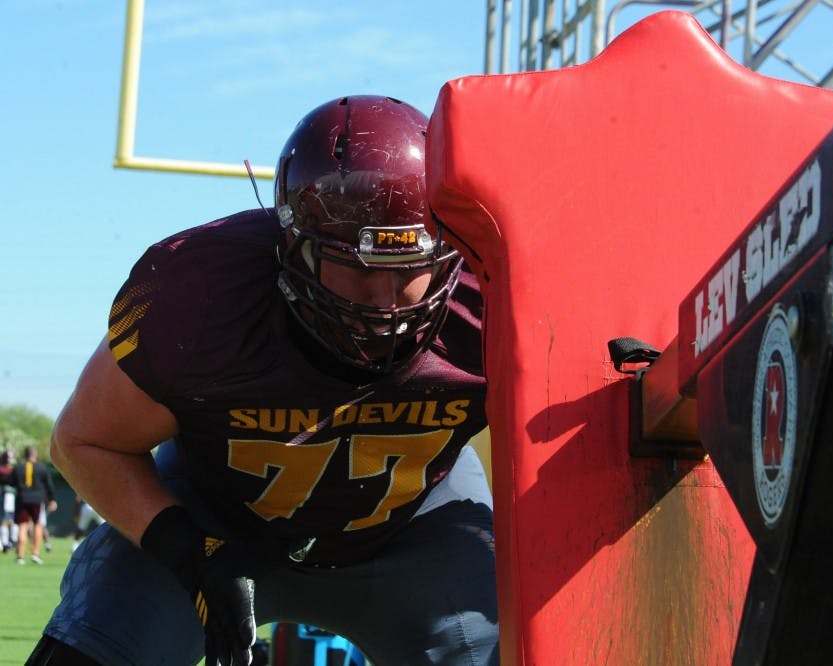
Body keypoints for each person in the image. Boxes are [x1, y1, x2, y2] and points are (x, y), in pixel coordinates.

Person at [28, 95, 497, 666]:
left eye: (408, 267)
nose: (385, 300)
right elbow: (84, 440)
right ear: (290, 247)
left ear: (450, 250)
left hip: (419, 525)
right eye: (354, 264)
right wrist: (191, 552)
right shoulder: (200, 298)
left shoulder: (500, 293)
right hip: (216, 517)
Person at [12, 445, 57, 565]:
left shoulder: (18, 468)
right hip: (37, 500)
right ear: (35, 456)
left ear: (24, 456)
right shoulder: (41, 468)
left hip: (22, 499)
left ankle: (20, 556)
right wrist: (52, 499)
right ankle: (35, 553)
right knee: (38, 525)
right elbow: (49, 485)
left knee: (23, 526)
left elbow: (12, 482)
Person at [0, 450, 16, 553]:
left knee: (9, 520)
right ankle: (6, 543)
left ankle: (8, 542)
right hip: (7, 495)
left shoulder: (12, 470)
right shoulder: (6, 470)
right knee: (7, 519)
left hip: (10, 496)